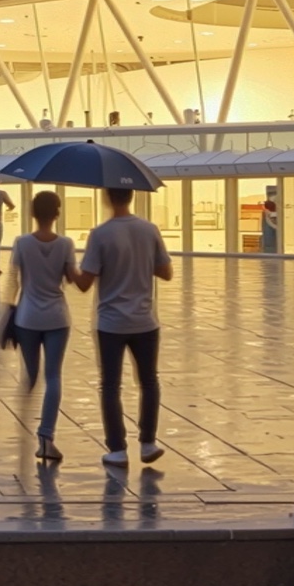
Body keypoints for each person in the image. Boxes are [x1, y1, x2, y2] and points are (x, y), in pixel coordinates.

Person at [75, 187, 172, 466]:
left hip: (111, 322)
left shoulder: (100, 234)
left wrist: (68, 267)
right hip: (145, 320)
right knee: (149, 381)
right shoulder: (149, 229)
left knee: (110, 385)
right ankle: (148, 443)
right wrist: (141, 262)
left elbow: (85, 283)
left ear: (107, 198)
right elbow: (166, 272)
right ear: (131, 195)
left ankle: (117, 448)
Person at [11, 190, 79, 463]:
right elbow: (73, 279)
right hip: (57, 318)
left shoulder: (21, 243)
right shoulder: (65, 244)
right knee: (53, 376)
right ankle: (46, 436)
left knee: (30, 374)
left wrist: (7, 311)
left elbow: (13, 281)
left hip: (27, 317)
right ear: (57, 213)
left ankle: (23, 418)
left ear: (33, 213)